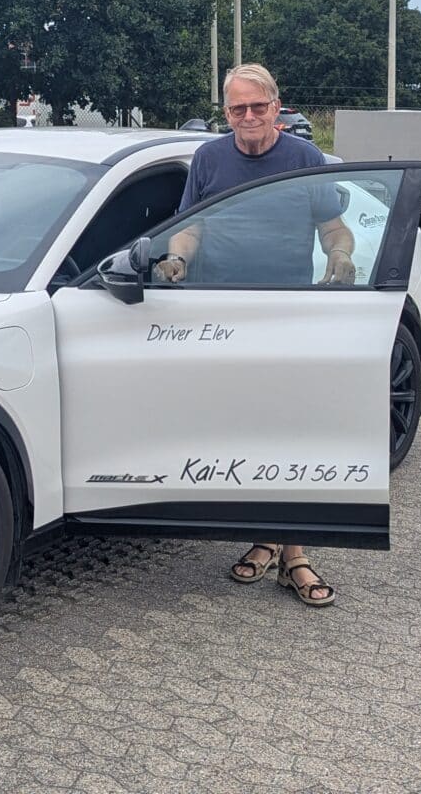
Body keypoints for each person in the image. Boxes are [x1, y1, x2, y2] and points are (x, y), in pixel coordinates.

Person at [153, 63, 355, 607]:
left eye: (257, 107)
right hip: (219, 310)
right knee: (245, 429)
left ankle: (295, 555)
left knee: (288, 430)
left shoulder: (304, 160)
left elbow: (334, 228)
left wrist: (340, 256)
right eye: (238, 108)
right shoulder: (209, 159)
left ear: (276, 106)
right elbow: (191, 226)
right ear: (226, 113)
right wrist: (174, 259)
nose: (248, 116)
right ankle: (265, 537)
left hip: (285, 311)